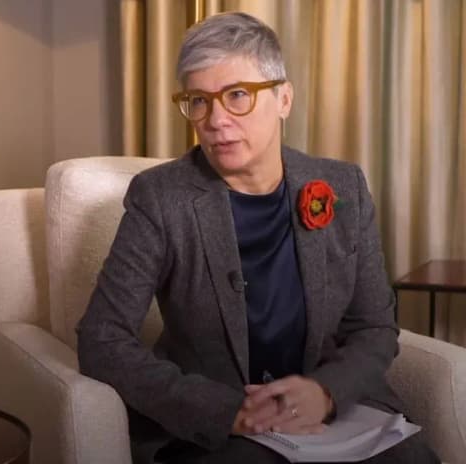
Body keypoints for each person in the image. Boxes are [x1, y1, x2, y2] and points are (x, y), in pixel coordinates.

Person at [76, 11, 439, 464]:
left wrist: (326, 391)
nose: (215, 120)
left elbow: (375, 327)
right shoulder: (161, 197)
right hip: (221, 430)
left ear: (284, 98)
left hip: (333, 417)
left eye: (237, 95)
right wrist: (226, 411)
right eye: (199, 100)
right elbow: (102, 338)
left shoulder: (343, 186)